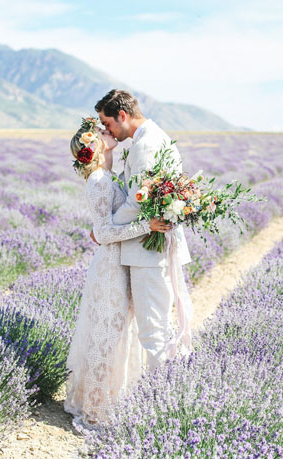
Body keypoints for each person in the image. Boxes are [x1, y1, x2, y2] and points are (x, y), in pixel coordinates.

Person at [63, 118, 171, 425]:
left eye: (105, 127)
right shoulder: (99, 180)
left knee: (121, 332)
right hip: (110, 267)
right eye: (100, 132)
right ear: (94, 147)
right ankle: (97, 409)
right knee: (107, 335)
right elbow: (105, 232)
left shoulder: (110, 175)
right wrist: (146, 226)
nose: (107, 132)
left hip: (122, 262)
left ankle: (112, 398)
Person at [94, 89, 192, 371]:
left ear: (122, 115)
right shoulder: (150, 138)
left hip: (150, 251)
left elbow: (138, 202)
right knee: (157, 326)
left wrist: (107, 226)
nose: (107, 130)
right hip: (150, 246)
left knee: (153, 331)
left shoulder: (147, 144)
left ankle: (163, 399)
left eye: (108, 123)